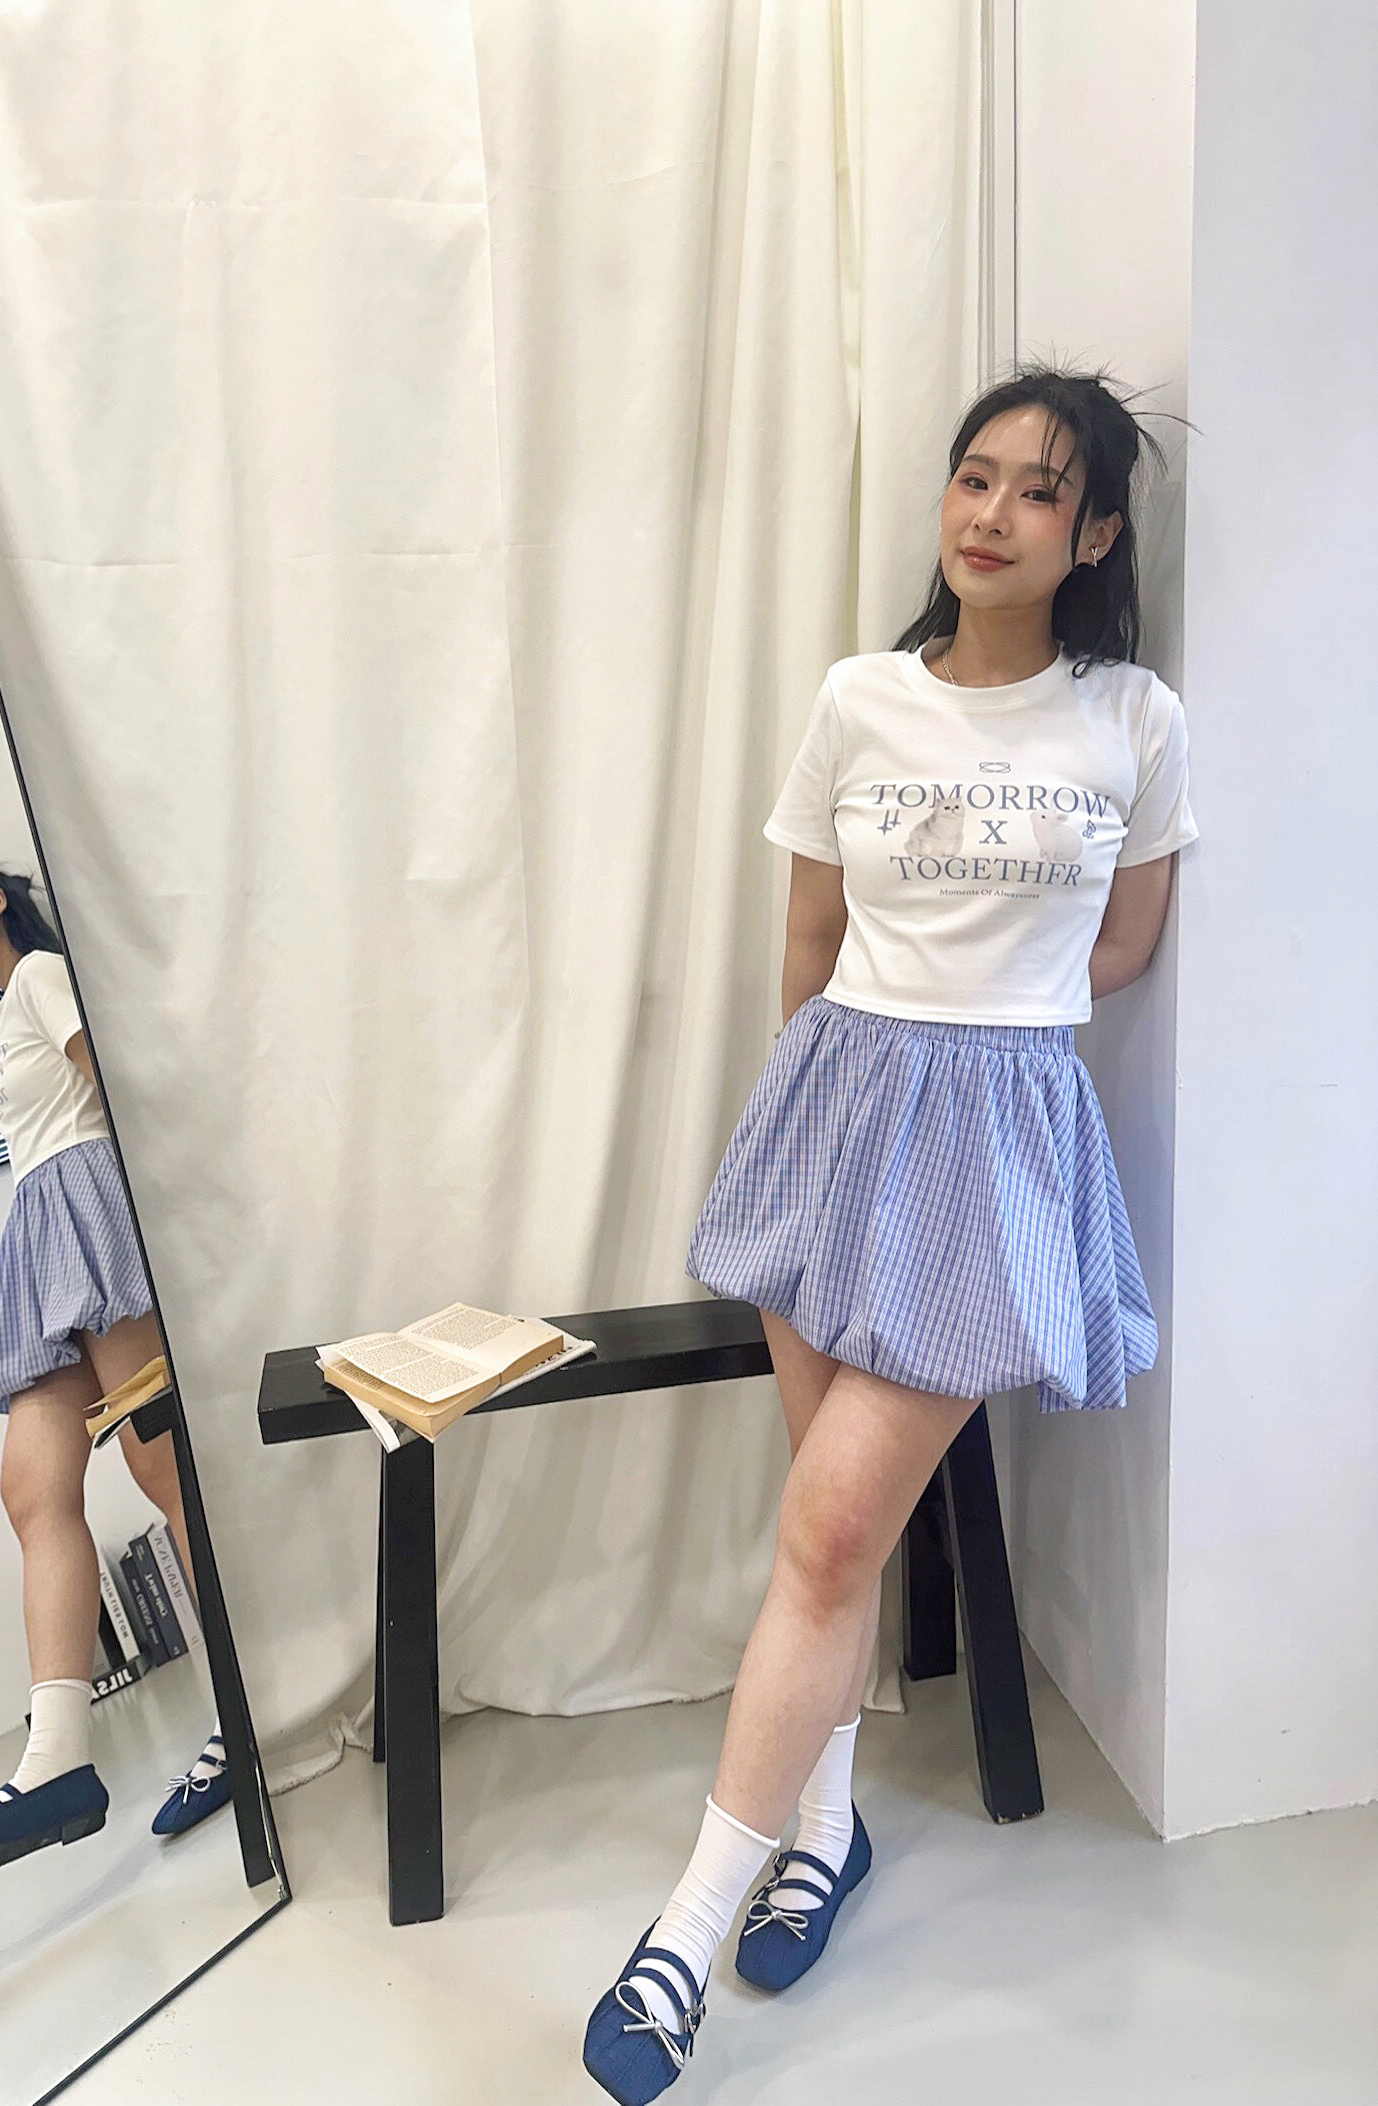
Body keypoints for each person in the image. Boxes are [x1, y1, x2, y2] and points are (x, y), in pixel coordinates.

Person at [583, 367, 1199, 2101]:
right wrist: (818, 1111)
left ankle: (681, 1938)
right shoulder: (860, 697)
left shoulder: (1133, 717)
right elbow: (807, 941)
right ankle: (826, 1825)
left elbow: (1125, 946)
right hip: (833, 1113)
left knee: (833, 1526)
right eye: (973, 476)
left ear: (1096, 533)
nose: (991, 513)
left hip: (992, 1141)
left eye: (1037, 490)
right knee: (828, 1535)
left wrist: (986, 1042)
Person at [0, 861, 229, 1876]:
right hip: (46, 1233)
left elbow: (117, 1094)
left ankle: (250, 1705)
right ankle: (56, 1764)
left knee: (162, 1471)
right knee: (32, 1489)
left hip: (88, 1214)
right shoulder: (8, 1011)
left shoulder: (42, 977)